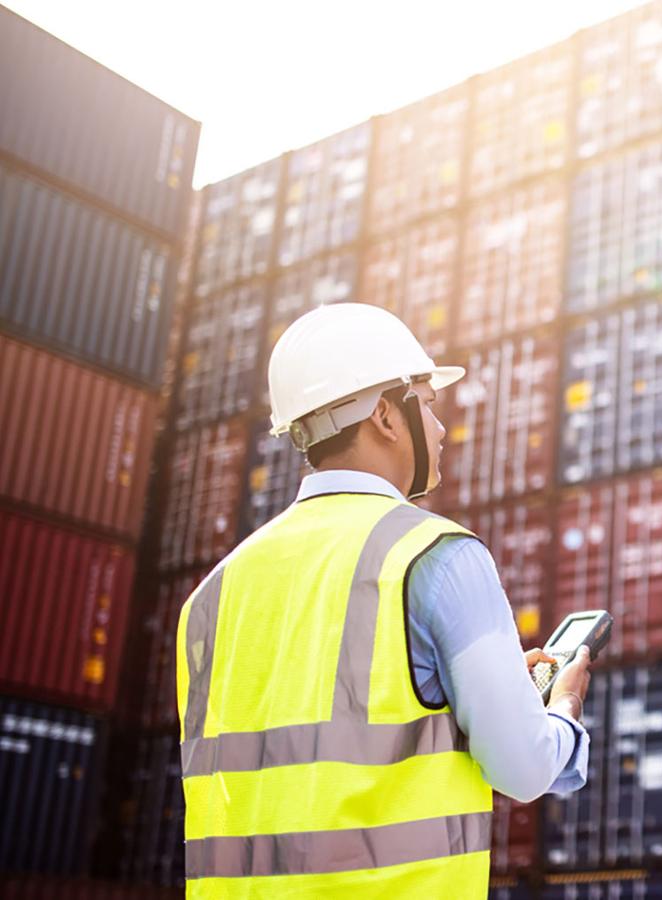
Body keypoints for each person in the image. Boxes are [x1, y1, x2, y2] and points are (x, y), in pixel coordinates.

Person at [176, 302, 591, 897]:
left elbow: (308, 757)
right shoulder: (436, 555)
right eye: (427, 402)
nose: (443, 429)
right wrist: (563, 712)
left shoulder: (208, 598)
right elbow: (523, 767)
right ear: (385, 416)